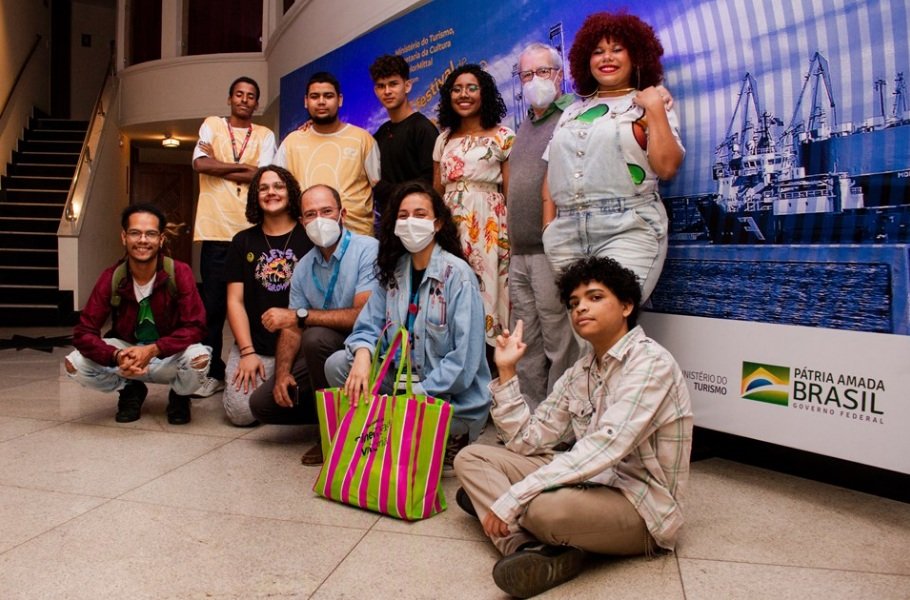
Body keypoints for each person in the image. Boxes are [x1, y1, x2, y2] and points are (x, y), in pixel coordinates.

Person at [454, 256, 693, 598]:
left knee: (541, 508)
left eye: (595, 297)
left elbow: (607, 445)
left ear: (626, 306)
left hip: (639, 505)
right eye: (574, 302)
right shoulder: (581, 371)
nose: (581, 308)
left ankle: (504, 513)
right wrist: (506, 372)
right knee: (471, 458)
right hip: (590, 484)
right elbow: (527, 440)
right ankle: (526, 549)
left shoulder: (650, 363)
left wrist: (514, 496)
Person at [325, 180, 491, 475]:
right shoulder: (394, 271)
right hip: (398, 385)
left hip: (446, 397)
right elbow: (367, 326)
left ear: (437, 224)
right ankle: (393, 430)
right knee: (339, 365)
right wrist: (362, 355)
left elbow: (463, 363)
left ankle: (445, 437)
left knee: (415, 439)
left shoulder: (458, 276)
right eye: (403, 216)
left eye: (420, 214)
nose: (410, 222)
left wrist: (416, 396)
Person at [542, 11, 684, 304]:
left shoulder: (650, 103)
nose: (607, 57)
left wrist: (655, 108)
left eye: (617, 49)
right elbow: (552, 172)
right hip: (565, 235)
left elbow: (668, 167)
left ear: (636, 56)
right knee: (584, 324)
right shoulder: (572, 112)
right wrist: (548, 228)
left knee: (613, 317)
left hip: (627, 228)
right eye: (597, 51)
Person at [249, 184, 378, 464]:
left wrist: (300, 316)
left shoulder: (368, 250)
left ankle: (331, 433)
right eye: (310, 214)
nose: (319, 220)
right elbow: (291, 328)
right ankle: (335, 409)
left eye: (326, 211)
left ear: (343, 214)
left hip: (365, 347)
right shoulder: (304, 266)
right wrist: (282, 373)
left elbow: (363, 315)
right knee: (262, 405)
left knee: (315, 336)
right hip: (321, 353)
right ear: (302, 222)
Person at [65, 204, 210, 425]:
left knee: (199, 358)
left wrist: (153, 349)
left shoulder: (178, 272)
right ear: (124, 237)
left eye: (150, 234)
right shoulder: (112, 277)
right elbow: (83, 332)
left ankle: (180, 395)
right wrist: (116, 355)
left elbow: (196, 326)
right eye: (135, 233)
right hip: (128, 354)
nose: (143, 240)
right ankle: (130, 389)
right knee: (74, 364)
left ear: (161, 239)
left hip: (166, 354)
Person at [193, 76, 277, 397]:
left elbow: (263, 175)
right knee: (212, 308)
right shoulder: (212, 125)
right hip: (215, 231)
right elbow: (200, 164)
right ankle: (210, 373)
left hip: (252, 231)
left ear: (257, 103)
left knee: (255, 304)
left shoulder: (265, 134)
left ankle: (258, 364)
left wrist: (219, 165)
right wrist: (243, 168)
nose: (244, 99)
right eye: (239, 94)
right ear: (230, 98)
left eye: (250, 96)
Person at [506, 43, 579, 408]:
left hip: (550, 248)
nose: (535, 80)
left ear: (560, 74)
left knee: (558, 339)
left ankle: (561, 416)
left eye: (543, 72)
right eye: (527, 74)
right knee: (525, 341)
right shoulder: (525, 125)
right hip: (519, 252)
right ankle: (530, 415)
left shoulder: (573, 116)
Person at [222, 166, 312, 426]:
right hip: (257, 347)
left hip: (298, 347)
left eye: (278, 186)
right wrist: (247, 352)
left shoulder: (310, 237)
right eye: (263, 188)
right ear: (255, 196)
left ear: (290, 192)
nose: (271, 192)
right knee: (241, 414)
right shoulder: (242, 241)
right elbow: (234, 301)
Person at [433, 64, 515, 346]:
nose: (463, 94)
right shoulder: (443, 139)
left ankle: (491, 360)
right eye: (456, 89)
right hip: (451, 225)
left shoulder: (504, 136)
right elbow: (436, 192)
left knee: (488, 290)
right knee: (452, 286)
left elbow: (510, 190)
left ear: (484, 93)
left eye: (471, 88)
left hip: (489, 225)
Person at [275, 71, 381, 236]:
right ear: (306, 101)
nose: (321, 102)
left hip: (356, 237)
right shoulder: (291, 142)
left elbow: (380, 187)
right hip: (306, 237)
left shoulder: (362, 139)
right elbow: (277, 190)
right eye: (315, 96)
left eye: (328, 96)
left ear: (340, 100)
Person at [369, 54, 439, 219]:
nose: (387, 91)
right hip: (388, 222)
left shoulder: (423, 128)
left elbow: (429, 183)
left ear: (407, 86)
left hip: (417, 221)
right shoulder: (380, 134)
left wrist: (383, 188)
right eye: (381, 86)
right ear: (376, 91)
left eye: (393, 84)